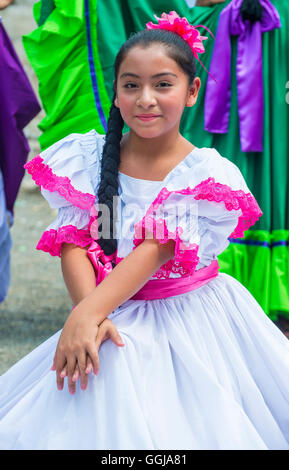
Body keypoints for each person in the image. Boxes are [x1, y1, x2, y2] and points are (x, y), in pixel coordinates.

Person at [0, 11, 288, 451]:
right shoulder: (90, 156)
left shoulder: (204, 172)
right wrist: (90, 317)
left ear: (192, 92)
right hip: (107, 307)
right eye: (131, 85)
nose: (145, 98)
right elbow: (76, 243)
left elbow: (153, 253)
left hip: (187, 315)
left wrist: (86, 316)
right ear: (114, 92)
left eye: (163, 84)